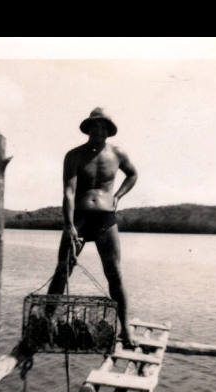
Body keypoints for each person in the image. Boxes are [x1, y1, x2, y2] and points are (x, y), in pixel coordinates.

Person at [47, 107, 138, 347]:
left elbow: (133, 175)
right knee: (62, 271)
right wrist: (68, 225)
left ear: (109, 130)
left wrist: (118, 197)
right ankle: (45, 323)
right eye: (95, 126)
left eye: (104, 126)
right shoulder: (74, 155)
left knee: (114, 274)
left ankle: (126, 330)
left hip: (105, 219)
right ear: (89, 128)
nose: (100, 130)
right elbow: (68, 192)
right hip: (79, 218)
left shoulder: (118, 153)